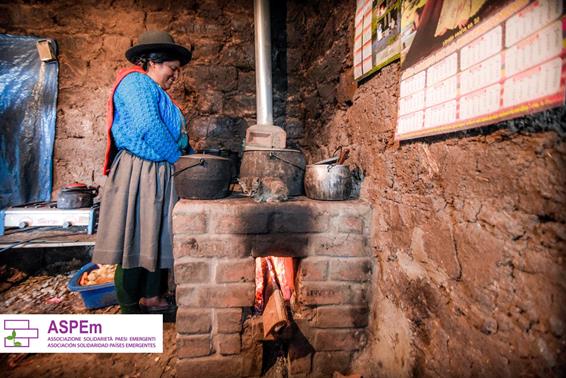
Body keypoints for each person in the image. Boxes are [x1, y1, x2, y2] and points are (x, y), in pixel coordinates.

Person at [92, 30, 192, 314]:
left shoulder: (155, 91)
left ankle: (152, 297)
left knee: (155, 236)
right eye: (172, 69)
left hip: (157, 172)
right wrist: (178, 160)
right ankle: (129, 306)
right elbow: (149, 127)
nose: (175, 76)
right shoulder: (136, 82)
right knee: (135, 237)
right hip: (140, 171)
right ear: (153, 62)